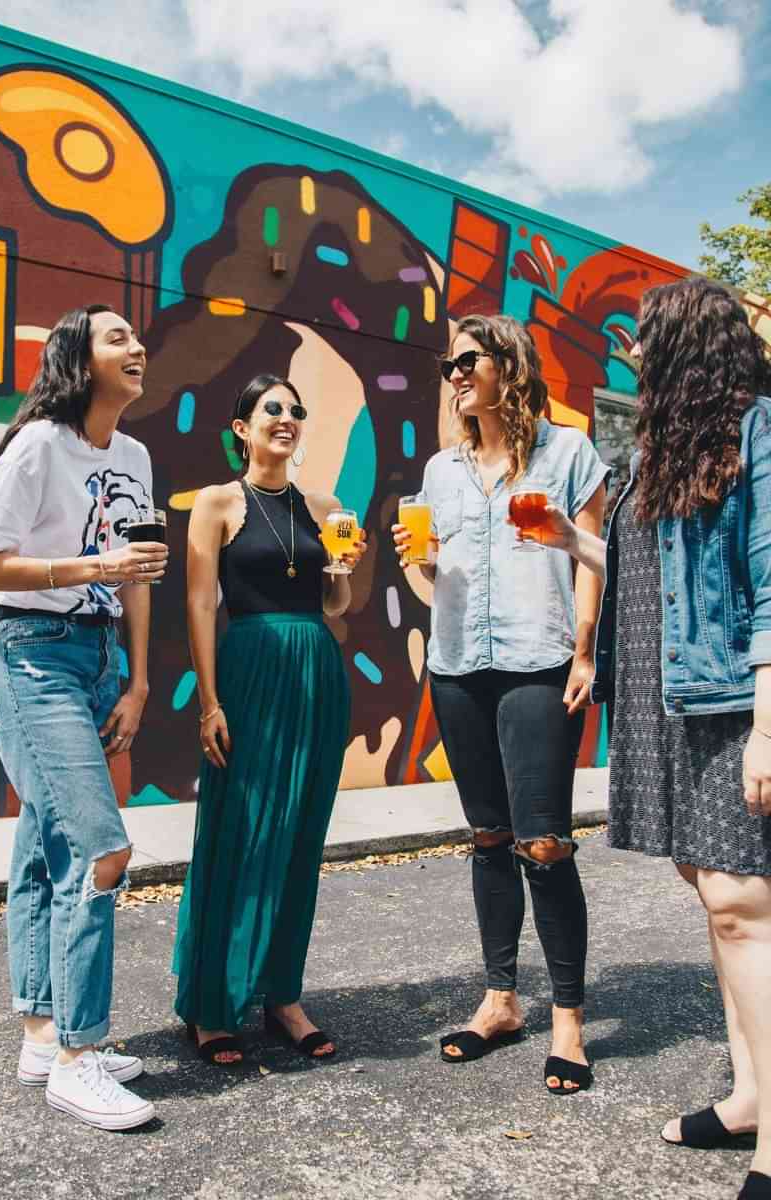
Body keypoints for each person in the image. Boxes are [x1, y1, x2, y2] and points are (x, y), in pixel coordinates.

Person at [521, 278, 771, 1199]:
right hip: (658, 702)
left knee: (745, 901)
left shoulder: (758, 431)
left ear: (686, 346)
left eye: (643, 343)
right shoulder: (663, 450)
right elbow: (641, 568)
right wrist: (568, 540)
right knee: (713, 893)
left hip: (726, 705)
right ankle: (749, 1095)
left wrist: (767, 729)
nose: (631, 355)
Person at [392, 314, 608, 1092]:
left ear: (508, 366)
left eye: (467, 361)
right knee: (488, 837)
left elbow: (593, 560)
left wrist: (584, 651)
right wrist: (418, 565)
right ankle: (500, 1000)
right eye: (449, 364)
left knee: (543, 843)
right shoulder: (440, 471)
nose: (453, 374)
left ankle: (570, 1022)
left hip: (540, 663)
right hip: (458, 665)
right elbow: (435, 573)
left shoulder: (568, 451)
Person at [0, 305, 168, 1131]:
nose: (137, 346)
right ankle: (80, 1057)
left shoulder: (135, 453)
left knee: (42, 842)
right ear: (78, 359)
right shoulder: (39, 445)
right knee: (99, 846)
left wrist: (139, 681)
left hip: (96, 659)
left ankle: (42, 1032)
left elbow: (141, 571)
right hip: (29, 653)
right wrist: (88, 563)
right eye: (118, 337)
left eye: (136, 337)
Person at [173, 373, 365, 1064]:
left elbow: (336, 606)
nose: (287, 419)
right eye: (272, 410)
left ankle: (283, 996)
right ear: (242, 427)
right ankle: (212, 1003)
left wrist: (343, 571)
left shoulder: (325, 505)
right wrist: (210, 701)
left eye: (295, 410)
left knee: (299, 836)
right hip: (250, 670)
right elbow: (200, 604)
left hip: (315, 670)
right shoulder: (217, 502)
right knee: (241, 829)